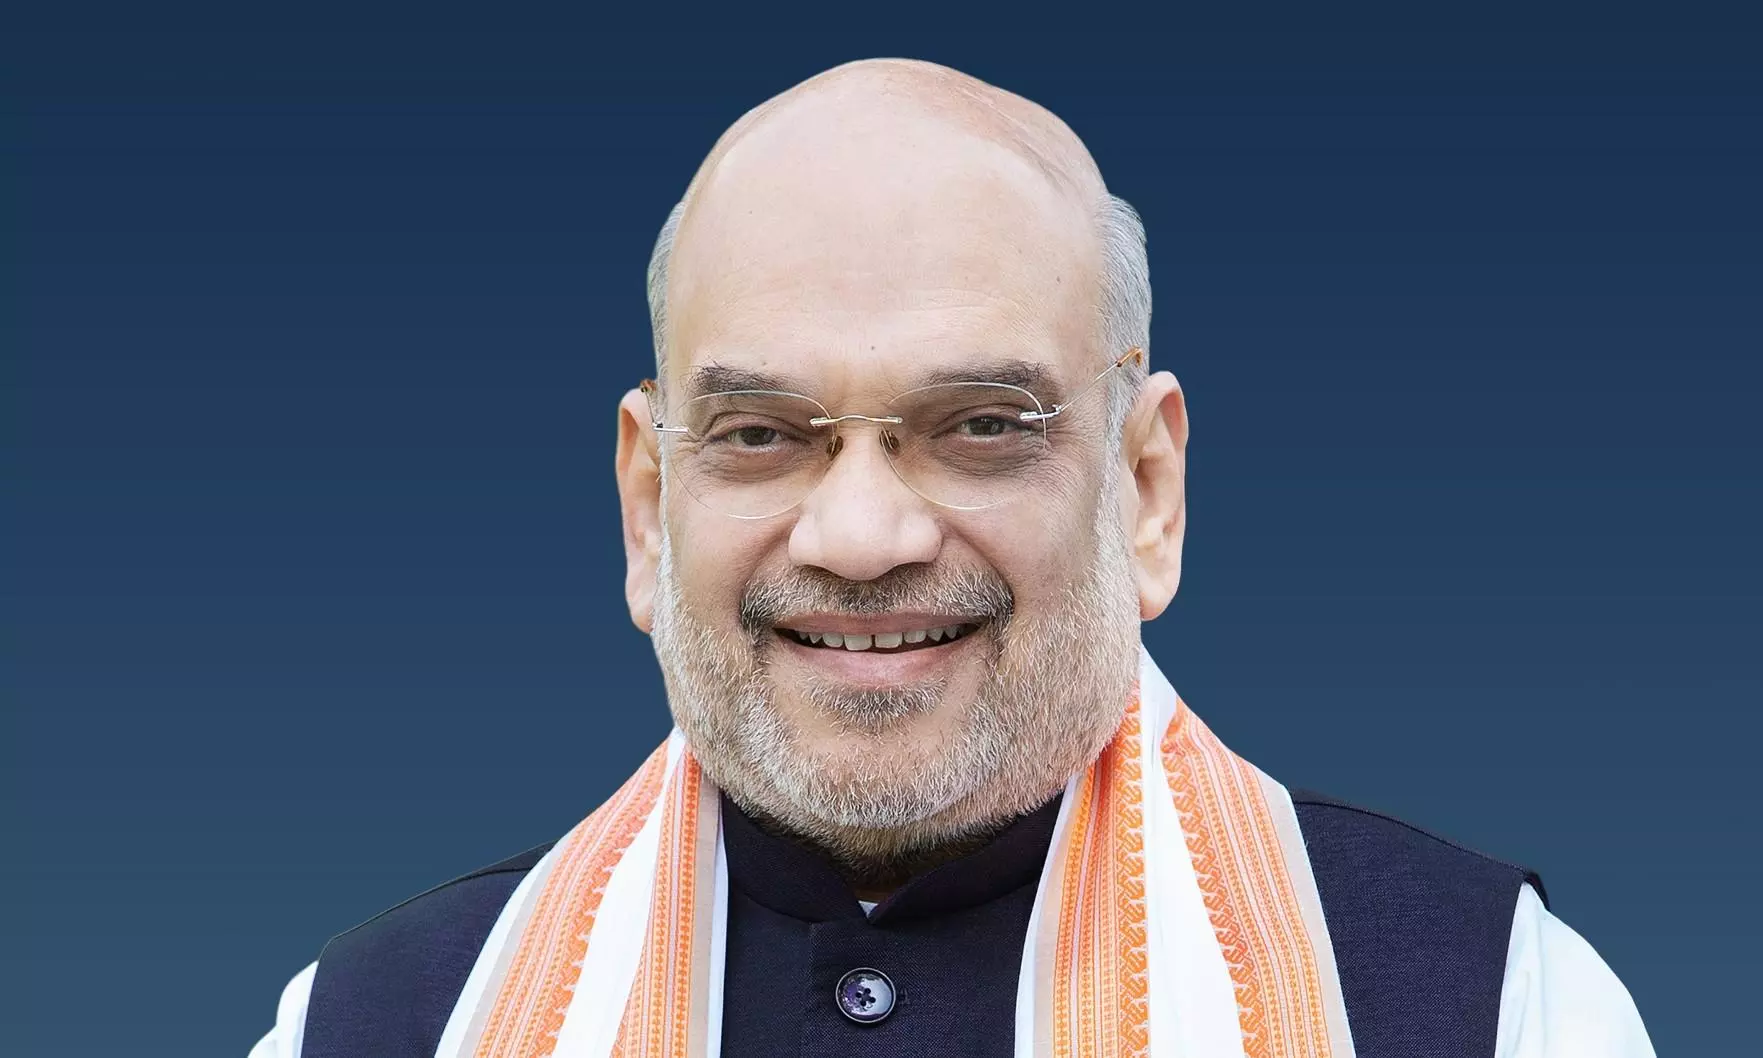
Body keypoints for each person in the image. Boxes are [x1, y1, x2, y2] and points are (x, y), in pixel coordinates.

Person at [249, 58, 1653, 1058]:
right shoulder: (374, 1025)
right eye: (759, 434)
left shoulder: (1493, 1010)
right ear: (646, 501)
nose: (861, 538)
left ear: (1145, 489)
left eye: (979, 426)